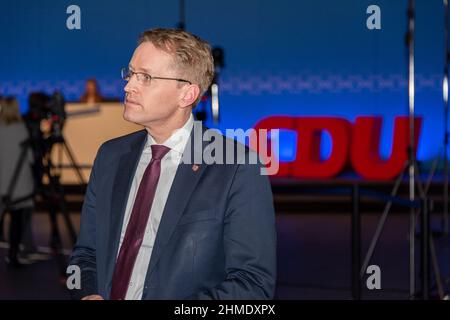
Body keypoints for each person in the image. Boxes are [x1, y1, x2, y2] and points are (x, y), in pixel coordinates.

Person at [69, 28, 276, 300]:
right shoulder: (110, 156)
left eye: (145, 77)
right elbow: (85, 254)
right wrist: (87, 293)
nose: (128, 86)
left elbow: (253, 287)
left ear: (187, 95)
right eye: (130, 74)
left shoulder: (237, 167)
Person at [0, 96, 36, 267]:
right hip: (19, 184)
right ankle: (13, 254)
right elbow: (30, 158)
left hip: (2, 182)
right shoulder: (22, 129)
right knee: (17, 222)